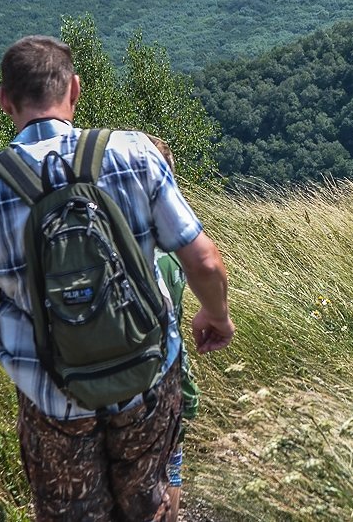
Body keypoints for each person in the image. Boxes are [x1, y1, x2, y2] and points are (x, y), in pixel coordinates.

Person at [0, 35, 235, 522]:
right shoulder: (135, 153)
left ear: (4, 100)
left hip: (52, 394)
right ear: (74, 89)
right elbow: (204, 262)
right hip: (147, 378)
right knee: (150, 499)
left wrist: (26, 290)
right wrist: (215, 316)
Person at [147, 135, 201, 522]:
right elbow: (174, 328)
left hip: (112, 385)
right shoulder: (172, 254)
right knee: (171, 470)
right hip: (164, 381)